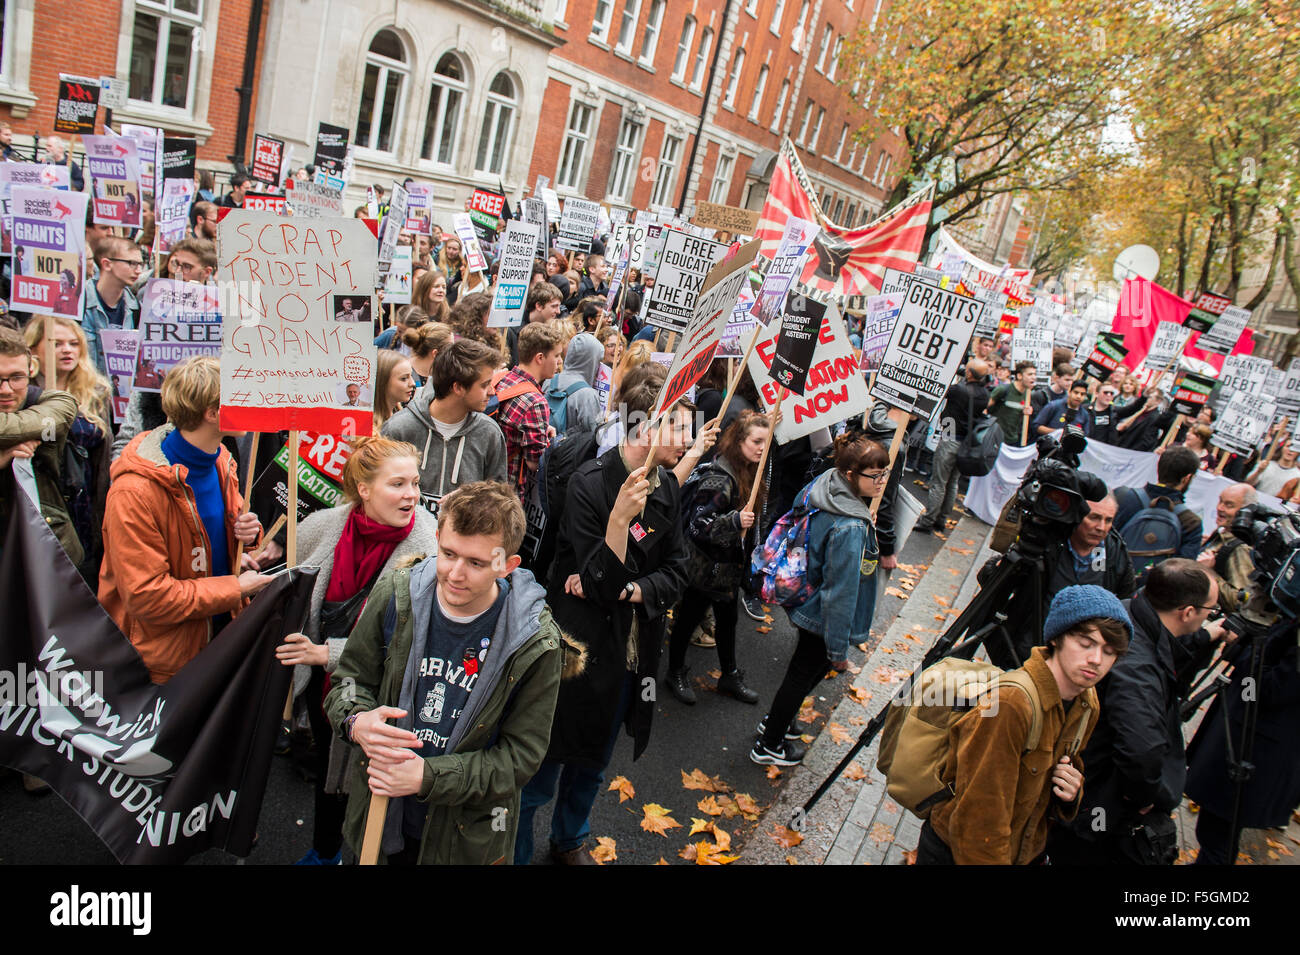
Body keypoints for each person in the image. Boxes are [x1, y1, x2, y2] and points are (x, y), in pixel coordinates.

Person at [323, 481, 564, 865]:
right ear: (436, 538)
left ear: (507, 565)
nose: (454, 573)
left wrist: (428, 777)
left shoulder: (534, 644)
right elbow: (349, 681)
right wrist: (356, 720)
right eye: (447, 553)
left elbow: (520, 757)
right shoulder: (395, 595)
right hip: (381, 819)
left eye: (476, 563)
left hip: (464, 839)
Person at [515, 383, 693, 865]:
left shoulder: (668, 486)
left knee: (595, 761)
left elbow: (679, 571)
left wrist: (635, 590)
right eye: (678, 425)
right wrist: (617, 523)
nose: (688, 438)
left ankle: (570, 837)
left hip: (630, 650)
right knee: (544, 761)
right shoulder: (589, 483)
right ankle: (516, 849)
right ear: (644, 425)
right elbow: (595, 581)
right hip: (576, 650)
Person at [273, 436, 437, 865]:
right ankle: (324, 852)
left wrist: (325, 653)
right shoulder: (325, 526)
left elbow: (411, 640)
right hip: (325, 689)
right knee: (330, 771)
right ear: (364, 489)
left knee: (375, 783)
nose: (411, 495)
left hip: (386, 692)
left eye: (415, 483)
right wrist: (255, 543)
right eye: (397, 483)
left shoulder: (429, 547)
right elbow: (280, 572)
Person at [919, 586, 1131, 864]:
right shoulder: (1012, 704)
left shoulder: (1087, 702)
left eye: (1110, 651)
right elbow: (979, 817)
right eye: (1086, 643)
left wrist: (1071, 794)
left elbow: (1061, 770)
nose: (1096, 660)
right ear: (1057, 638)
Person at [98, 357, 271, 683]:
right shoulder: (133, 493)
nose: (252, 403)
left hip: (218, 637)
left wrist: (249, 533)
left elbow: (211, 539)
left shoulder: (221, 460)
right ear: (211, 414)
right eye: (241, 397)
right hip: (164, 662)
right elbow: (147, 597)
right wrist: (235, 588)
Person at [1048, 559, 1229, 865]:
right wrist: (1146, 795)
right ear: (1187, 613)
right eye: (1210, 610)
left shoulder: (1131, 611)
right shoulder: (1138, 668)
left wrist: (1203, 637)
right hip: (1095, 804)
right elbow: (1141, 751)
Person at [752, 433, 890, 766]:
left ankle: (777, 723)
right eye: (875, 475)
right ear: (850, 476)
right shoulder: (850, 526)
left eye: (884, 473)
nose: (882, 481)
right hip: (822, 613)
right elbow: (841, 592)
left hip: (805, 597)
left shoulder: (824, 485)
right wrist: (839, 650)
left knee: (801, 672)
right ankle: (769, 743)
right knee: (803, 673)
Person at [665, 411, 773, 706]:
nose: (762, 447)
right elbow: (699, 526)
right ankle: (674, 672)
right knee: (687, 620)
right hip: (704, 571)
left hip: (727, 570)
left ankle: (729, 674)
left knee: (728, 621)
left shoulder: (750, 470)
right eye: (756, 441)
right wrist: (735, 522)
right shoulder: (719, 478)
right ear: (739, 441)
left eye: (767, 441)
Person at [1185, 618, 1300, 865]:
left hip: (1254, 756)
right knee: (1215, 835)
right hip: (1249, 748)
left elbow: (1265, 689)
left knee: (1217, 839)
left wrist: (1248, 649)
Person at [24, 316, 112, 586]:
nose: (67, 350)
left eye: (74, 344)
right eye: (56, 343)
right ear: (34, 348)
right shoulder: (21, 393)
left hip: (85, 500)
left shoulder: (96, 392)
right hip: (43, 496)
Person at [381, 339, 508, 517]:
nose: (492, 392)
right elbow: (377, 494)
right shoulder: (399, 429)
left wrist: (475, 498)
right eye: (484, 385)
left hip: (463, 541)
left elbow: (501, 498)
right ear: (458, 387)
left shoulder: (489, 433)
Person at [0, 326, 80, 563]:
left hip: (45, 552)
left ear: (30, 370)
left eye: (16, 377)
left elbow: (33, 424)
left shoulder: (58, 402)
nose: (5, 390)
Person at [915, 359, 989, 534]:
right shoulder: (985, 394)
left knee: (938, 482)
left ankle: (928, 521)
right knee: (953, 482)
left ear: (969, 373)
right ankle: (941, 520)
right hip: (966, 442)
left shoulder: (959, 390)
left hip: (950, 436)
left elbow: (942, 390)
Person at [496, 322, 563, 503]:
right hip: (507, 493)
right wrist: (551, 441)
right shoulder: (535, 402)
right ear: (540, 358)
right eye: (556, 355)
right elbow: (535, 463)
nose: (559, 361)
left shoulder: (502, 377)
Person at [1113, 445, 1203, 561]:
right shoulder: (1191, 522)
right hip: (1154, 579)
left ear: (1158, 467)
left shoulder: (1123, 496)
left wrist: (1097, 571)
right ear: (1187, 478)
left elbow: (1100, 543)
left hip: (1108, 574)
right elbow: (1182, 571)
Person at [81, 236, 143, 374]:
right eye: (131, 263)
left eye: (140, 264)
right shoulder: (79, 302)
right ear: (107, 264)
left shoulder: (136, 309)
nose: (138, 270)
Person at [1197, 483, 1260, 619]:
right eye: (1220, 501)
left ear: (1245, 512)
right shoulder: (1221, 534)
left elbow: (1239, 601)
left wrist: (1208, 572)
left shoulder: (1241, 549)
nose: (1220, 508)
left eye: (1229, 505)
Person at [545, 332, 603, 438]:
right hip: (568, 453)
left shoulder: (549, 380)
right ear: (592, 359)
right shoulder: (588, 395)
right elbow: (592, 436)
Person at [506, 282, 563, 366]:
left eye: (559, 306)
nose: (558, 311)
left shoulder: (553, 329)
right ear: (539, 306)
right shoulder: (512, 330)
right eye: (554, 306)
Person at [987, 362, 1036, 447]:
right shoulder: (1003, 389)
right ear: (1019, 376)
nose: (1033, 377)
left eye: (1035, 374)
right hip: (995, 439)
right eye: (1030, 374)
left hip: (1013, 441)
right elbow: (985, 408)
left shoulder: (1028, 395)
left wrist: (1027, 412)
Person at [1114, 387, 1176, 451]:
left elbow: (1145, 442)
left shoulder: (1155, 418)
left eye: (1150, 397)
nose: (1147, 399)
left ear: (1158, 401)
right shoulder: (1139, 412)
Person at [373, 349, 415, 432]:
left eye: (411, 376)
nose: (412, 383)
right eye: (404, 378)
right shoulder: (368, 430)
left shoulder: (403, 418)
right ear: (382, 382)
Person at [403, 319, 452, 387]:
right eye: (450, 348)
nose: (453, 353)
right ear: (435, 353)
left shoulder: (443, 374)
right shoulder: (405, 374)